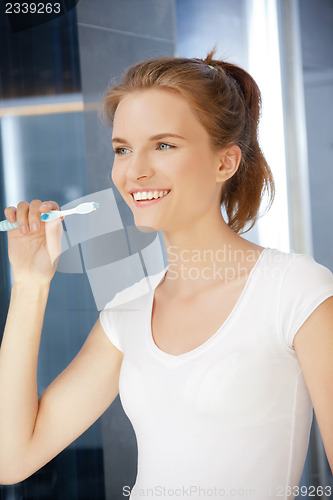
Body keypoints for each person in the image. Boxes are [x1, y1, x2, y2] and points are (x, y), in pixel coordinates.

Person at [0, 48, 332, 499]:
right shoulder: (126, 313)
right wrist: (30, 284)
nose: (134, 171)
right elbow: (11, 459)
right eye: (122, 149)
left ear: (225, 162)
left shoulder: (296, 291)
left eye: (164, 145)